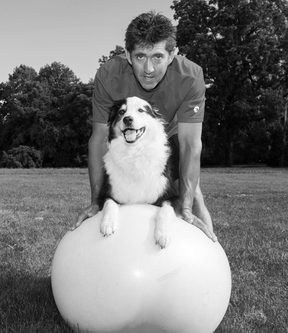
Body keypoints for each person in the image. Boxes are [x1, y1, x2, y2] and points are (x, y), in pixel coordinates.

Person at [72, 11, 217, 242]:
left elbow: (190, 144)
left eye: (157, 57)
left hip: (170, 133)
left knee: (193, 195)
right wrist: (96, 201)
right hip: (130, 134)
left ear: (172, 55)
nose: (149, 68)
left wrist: (186, 206)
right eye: (141, 57)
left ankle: (211, 259)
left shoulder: (191, 76)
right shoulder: (108, 75)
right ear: (128, 55)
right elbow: (99, 139)